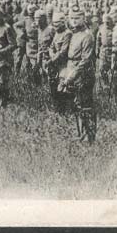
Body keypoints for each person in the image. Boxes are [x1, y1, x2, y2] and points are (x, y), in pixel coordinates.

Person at [58, 9, 97, 141]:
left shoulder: (87, 36)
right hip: (73, 71)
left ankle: (89, 136)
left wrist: (71, 76)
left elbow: (85, 61)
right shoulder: (74, 34)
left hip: (83, 75)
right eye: (72, 18)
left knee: (85, 105)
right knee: (77, 105)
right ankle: (81, 133)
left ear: (83, 19)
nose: (74, 21)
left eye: (77, 18)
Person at [47, 11, 72, 112]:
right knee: (53, 84)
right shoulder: (57, 33)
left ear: (63, 23)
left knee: (63, 86)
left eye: (57, 24)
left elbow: (63, 51)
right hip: (55, 62)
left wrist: (52, 59)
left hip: (64, 64)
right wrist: (52, 56)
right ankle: (57, 108)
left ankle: (65, 109)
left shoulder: (68, 34)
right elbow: (51, 47)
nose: (55, 26)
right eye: (54, 24)